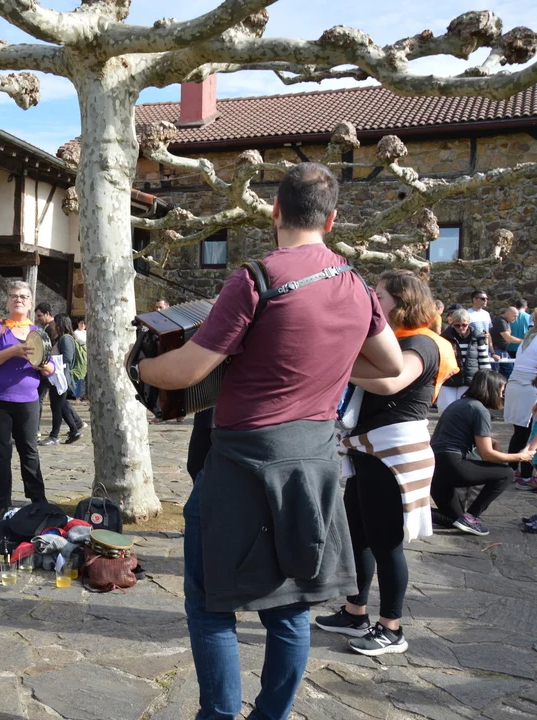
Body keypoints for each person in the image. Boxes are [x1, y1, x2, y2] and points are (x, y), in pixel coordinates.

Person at [128, 163, 403, 719]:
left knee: (210, 603)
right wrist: (324, 365)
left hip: (243, 464)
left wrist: (138, 368)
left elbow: (186, 371)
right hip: (314, 463)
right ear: (331, 220)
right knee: (291, 607)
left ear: (275, 211)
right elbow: (393, 367)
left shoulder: (255, 278)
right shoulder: (356, 285)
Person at [316, 270, 456, 657]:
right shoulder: (394, 339)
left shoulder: (422, 342)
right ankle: (354, 612)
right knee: (358, 536)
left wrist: (332, 365)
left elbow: (392, 381)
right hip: (369, 450)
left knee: (385, 542)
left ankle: (392, 629)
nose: (373, 301)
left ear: (403, 302)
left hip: (394, 455)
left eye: (379, 296)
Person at [0, 281, 56, 525]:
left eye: (23, 296)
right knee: (0, 454)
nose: (18, 299)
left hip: (27, 402)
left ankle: (38, 501)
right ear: (8, 302)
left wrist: (43, 365)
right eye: (13, 296)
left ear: (30, 303)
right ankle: (1, 505)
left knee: (30, 452)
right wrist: (14, 351)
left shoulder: (38, 332)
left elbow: (51, 368)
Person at [430, 370, 532, 535]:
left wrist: (491, 442)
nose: (502, 395)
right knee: (506, 473)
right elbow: (487, 455)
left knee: (455, 520)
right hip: (451, 465)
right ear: (491, 389)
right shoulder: (479, 410)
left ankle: (406, 512)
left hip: (434, 468)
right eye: (501, 390)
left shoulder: (460, 404)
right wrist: (520, 457)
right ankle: (472, 516)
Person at [40, 313, 86, 445]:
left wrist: (52, 362)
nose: (53, 326)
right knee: (61, 405)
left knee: (56, 407)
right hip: (56, 377)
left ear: (60, 324)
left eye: (55, 323)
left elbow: (67, 358)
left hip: (61, 378)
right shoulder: (61, 338)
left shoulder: (66, 339)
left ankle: (54, 436)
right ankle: (74, 430)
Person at [439, 309, 493, 412]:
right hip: (449, 380)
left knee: (466, 410)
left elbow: (484, 359)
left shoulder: (477, 337)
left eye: (464, 325)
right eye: (457, 325)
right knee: (445, 409)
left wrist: (486, 379)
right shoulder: (444, 337)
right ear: (452, 324)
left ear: (468, 323)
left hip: (470, 380)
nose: (461, 328)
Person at [503, 324, 537, 489]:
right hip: (530, 387)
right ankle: (526, 476)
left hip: (515, 385)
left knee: (520, 432)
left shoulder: (529, 338)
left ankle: (512, 470)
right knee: (530, 434)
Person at [491, 306, 521, 379]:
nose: (515, 319)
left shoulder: (506, 322)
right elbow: (508, 337)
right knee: (495, 373)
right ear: (507, 314)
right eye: (514, 316)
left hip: (502, 351)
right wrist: (523, 341)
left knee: (508, 370)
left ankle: (503, 385)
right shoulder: (501, 321)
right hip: (496, 350)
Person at [72, 318, 88, 400]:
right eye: (81, 323)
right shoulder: (76, 333)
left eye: (84, 323)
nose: (83, 325)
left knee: (87, 377)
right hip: (80, 356)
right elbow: (82, 342)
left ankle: (87, 395)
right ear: (78, 323)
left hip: (87, 356)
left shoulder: (86, 332)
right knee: (79, 375)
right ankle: (77, 395)